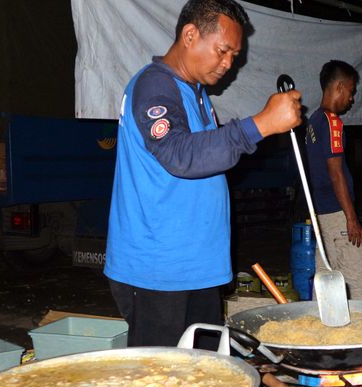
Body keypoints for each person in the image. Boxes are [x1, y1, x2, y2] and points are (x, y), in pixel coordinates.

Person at [104, 0, 302, 348]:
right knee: (160, 386)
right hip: (160, 272)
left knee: (204, 380)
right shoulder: (154, 86)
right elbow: (180, 155)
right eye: (223, 51)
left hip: (196, 268)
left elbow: (208, 157)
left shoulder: (195, 93)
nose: (229, 64)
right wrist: (261, 124)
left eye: (234, 56)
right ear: (190, 35)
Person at [305, 60, 362, 301]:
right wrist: (351, 218)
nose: (352, 97)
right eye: (351, 90)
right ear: (339, 86)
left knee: (325, 283)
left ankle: (322, 336)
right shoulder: (332, 122)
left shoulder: (313, 122)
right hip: (338, 216)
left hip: (322, 215)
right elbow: (336, 173)